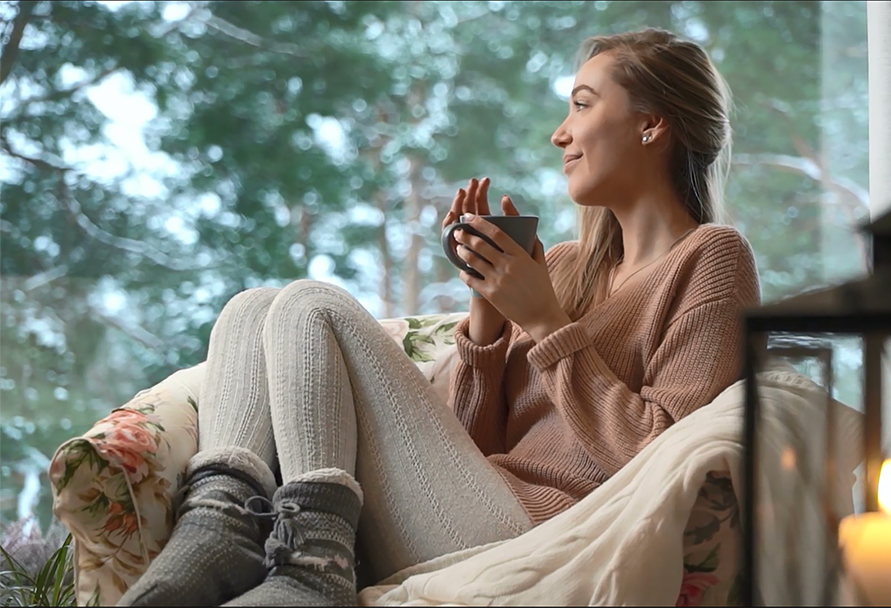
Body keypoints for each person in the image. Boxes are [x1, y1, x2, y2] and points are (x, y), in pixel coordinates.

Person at [118, 27, 760, 607]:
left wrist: (544, 325)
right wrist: (488, 315)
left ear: (652, 125)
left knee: (313, 304)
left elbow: (663, 456)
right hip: (463, 502)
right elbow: (470, 444)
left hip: (539, 533)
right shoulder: (564, 265)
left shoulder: (711, 259)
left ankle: (313, 570)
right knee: (251, 307)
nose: (560, 133)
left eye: (583, 105)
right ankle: (221, 522)